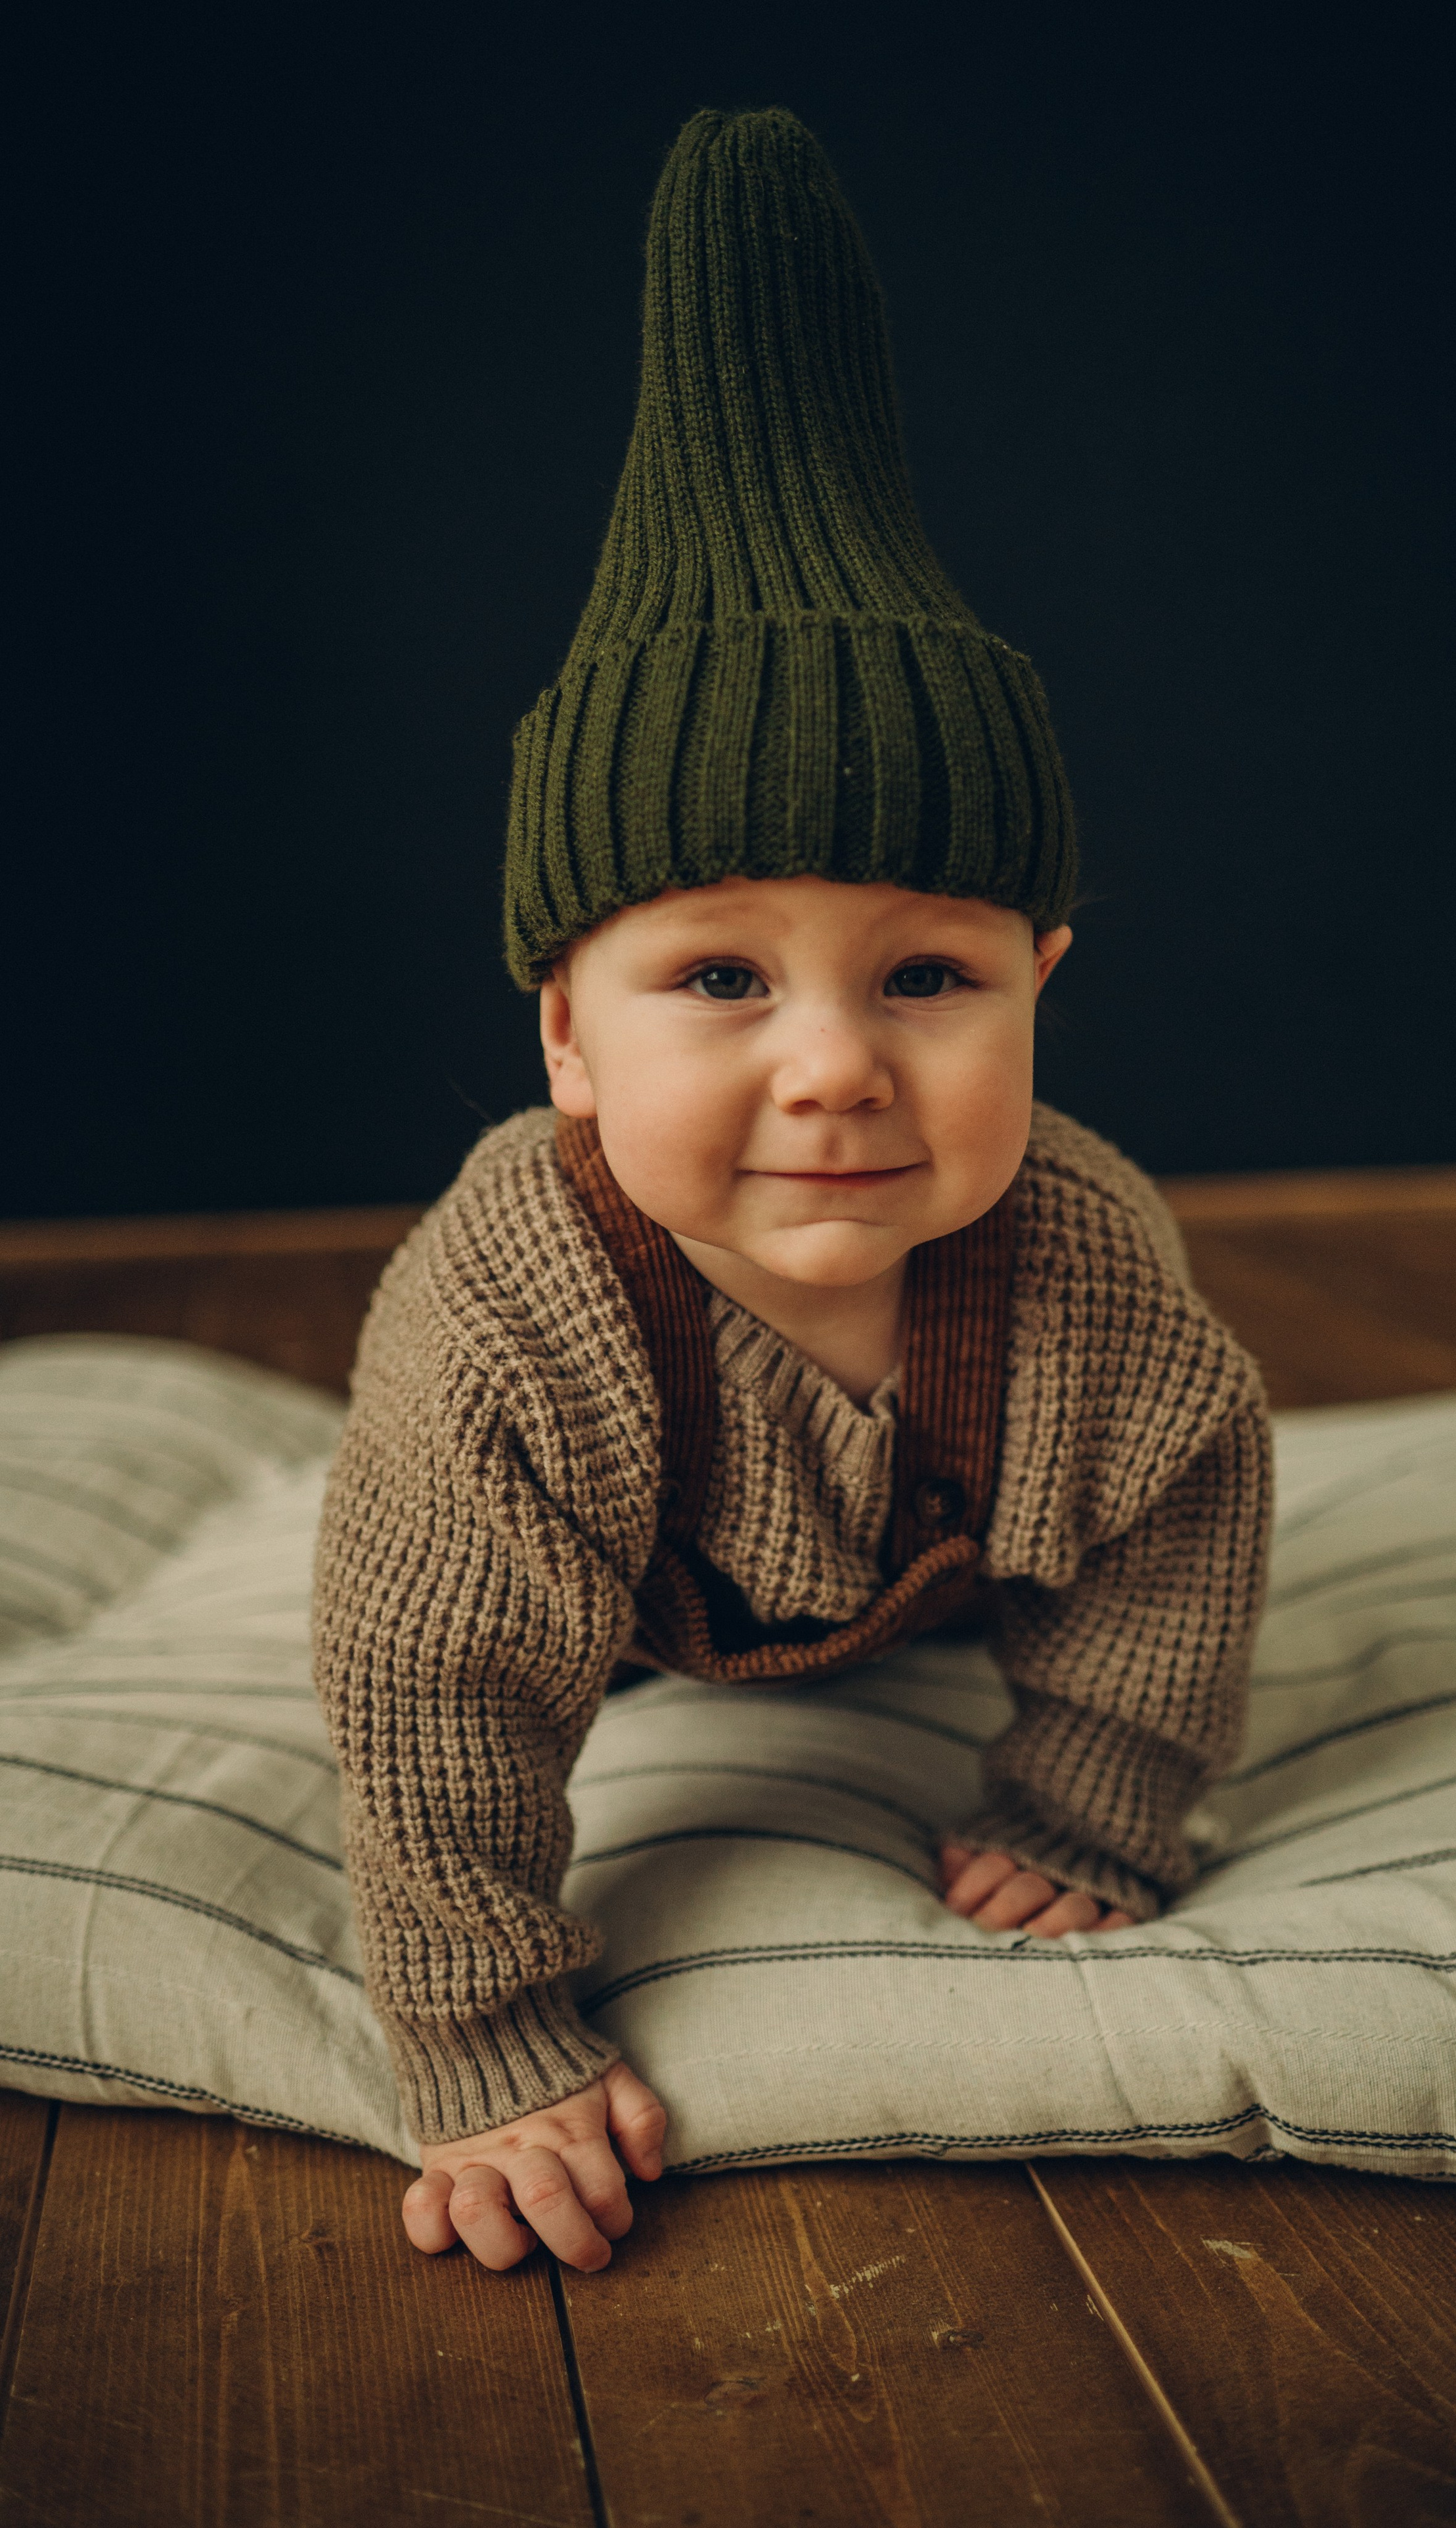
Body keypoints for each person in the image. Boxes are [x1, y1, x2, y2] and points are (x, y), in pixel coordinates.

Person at [313, 106, 1272, 2276]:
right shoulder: (508, 1318)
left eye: (927, 974)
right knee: (457, 1620)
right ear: (566, 1029)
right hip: (618, 1608)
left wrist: (1096, 1793)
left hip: (930, 1586)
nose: (834, 1062)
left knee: (1149, 1515)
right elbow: (430, 1690)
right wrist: (484, 2036)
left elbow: (1188, 1514)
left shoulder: (1084, 1269)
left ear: (1044, 982)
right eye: (717, 975)